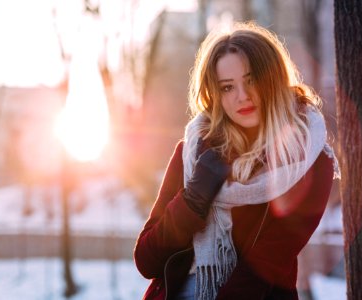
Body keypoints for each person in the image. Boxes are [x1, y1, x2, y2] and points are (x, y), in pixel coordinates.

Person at [134, 21, 340, 300]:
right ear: (215, 94)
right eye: (227, 87)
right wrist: (193, 200)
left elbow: (266, 264)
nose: (242, 96)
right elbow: (147, 260)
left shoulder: (307, 162)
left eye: (251, 79)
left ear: (273, 78)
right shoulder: (194, 153)